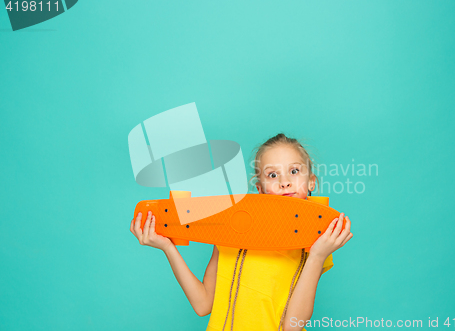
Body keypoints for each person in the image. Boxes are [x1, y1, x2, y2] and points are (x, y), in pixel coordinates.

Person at [130, 133, 353, 331]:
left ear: (311, 182)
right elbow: (203, 305)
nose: (284, 182)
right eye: (273, 175)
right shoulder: (228, 229)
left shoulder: (316, 243)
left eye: (294, 171)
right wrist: (168, 247)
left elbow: (292, 326)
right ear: (260, 189)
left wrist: (317, 255)